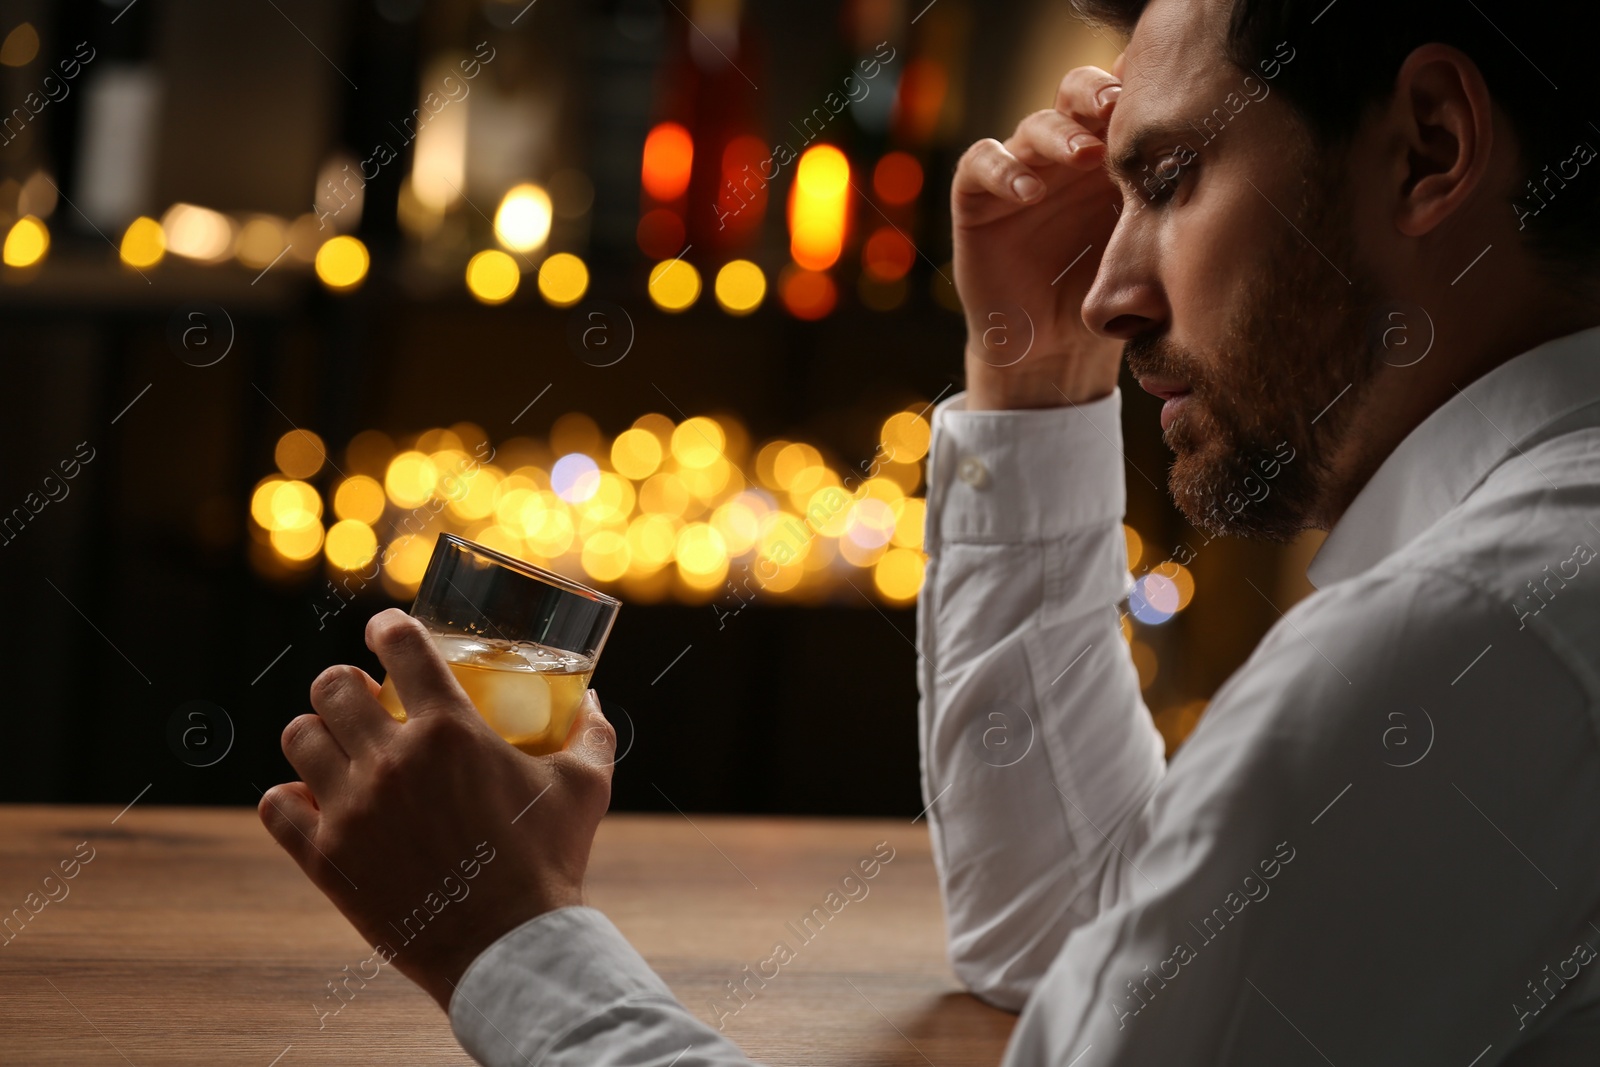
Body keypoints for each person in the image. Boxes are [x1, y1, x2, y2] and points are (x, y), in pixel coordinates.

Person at [261, 0, 1600, 1062]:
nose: (1116, 288)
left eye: (1176, 175)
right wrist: (1031, 384)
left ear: (1429, 145)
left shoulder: (1458, 646)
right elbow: (1070, 951)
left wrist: (508, 940)